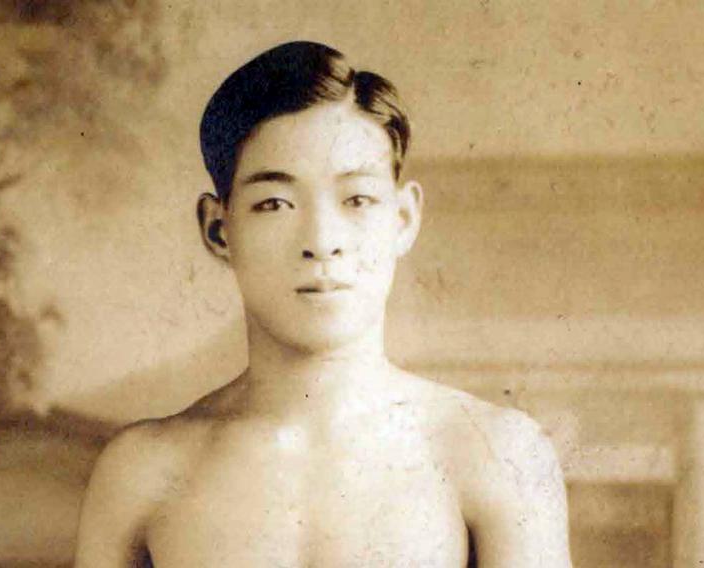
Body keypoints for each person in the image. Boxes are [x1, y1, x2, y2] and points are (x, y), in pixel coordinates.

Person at [74, 41, 572, 567]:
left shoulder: (497, 455)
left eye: (357, 199)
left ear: (402, 219)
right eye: (275, 203)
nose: (321, 239)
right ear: (219, 229)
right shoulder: (142, 473)